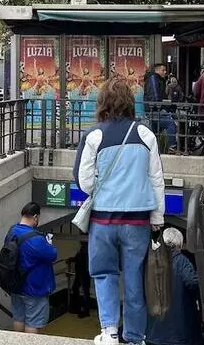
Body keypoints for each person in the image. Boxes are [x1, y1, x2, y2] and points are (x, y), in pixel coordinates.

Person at [73, 78, 165, 345]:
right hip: (137, 221)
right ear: (130, 103)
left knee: (104, 274)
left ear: (102, 103)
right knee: (135, 279)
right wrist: (157, 217)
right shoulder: (145, 134)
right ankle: (135, 337)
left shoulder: (94, 136)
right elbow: (156, 179)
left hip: (103, 219)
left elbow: (84, 181)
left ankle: (109, 332)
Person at [6, 202, 57, 334]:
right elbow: (52, 255)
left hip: (16, 285)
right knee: (33, 323)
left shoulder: (12, 231)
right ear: (35, 217)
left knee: (18, 318)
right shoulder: (36, 239)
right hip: (34, 288)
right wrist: (48, 243)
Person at [146, 228, 203, 345]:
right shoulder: (182, 262)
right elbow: (192, 283)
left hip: (152, 331)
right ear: (180, 245)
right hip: (177, 333)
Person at [144, 63, 178, 152]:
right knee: (171, 124)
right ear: (157, 70)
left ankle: (155, 150)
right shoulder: (153, 78)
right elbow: (155, 94)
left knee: (155, 132)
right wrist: (160, 106)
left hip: (152, 109)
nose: (165, 72)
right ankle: (172, 147)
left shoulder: (157, 79)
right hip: (154, 109)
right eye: (163, 70)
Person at [68, 241, 92, 319]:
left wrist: (72, 260)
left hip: (83, 272)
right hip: (81, 272)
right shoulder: (84, 248)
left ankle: (85, 310)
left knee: (84, 292)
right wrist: (72, 259)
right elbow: (79, 258)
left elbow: (82, 260)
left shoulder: (86, 249)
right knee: (78, 289)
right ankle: (79, 308)